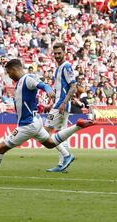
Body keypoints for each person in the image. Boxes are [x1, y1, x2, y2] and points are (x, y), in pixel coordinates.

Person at [0, 59, 95, 183]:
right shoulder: (22, 81)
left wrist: (48, 90)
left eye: (9, 72)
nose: (9, 76)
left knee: (0, 148)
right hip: (35, 121)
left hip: (27, 125)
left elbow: (42, 85)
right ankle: (77, 126)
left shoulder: (27, 79)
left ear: (14, 69)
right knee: (50, 143)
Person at [44, 42, 78, 173]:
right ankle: (61, 165)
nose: (57, 56)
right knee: (61, 134)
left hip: (61, 105)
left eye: (59, 53)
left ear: (65, 52)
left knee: (45, 133)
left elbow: (73, 86)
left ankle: (66, 155)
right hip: (58, 103)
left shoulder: (67, 66)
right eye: (55, 53)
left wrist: (63, 103)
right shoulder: (58, 68)